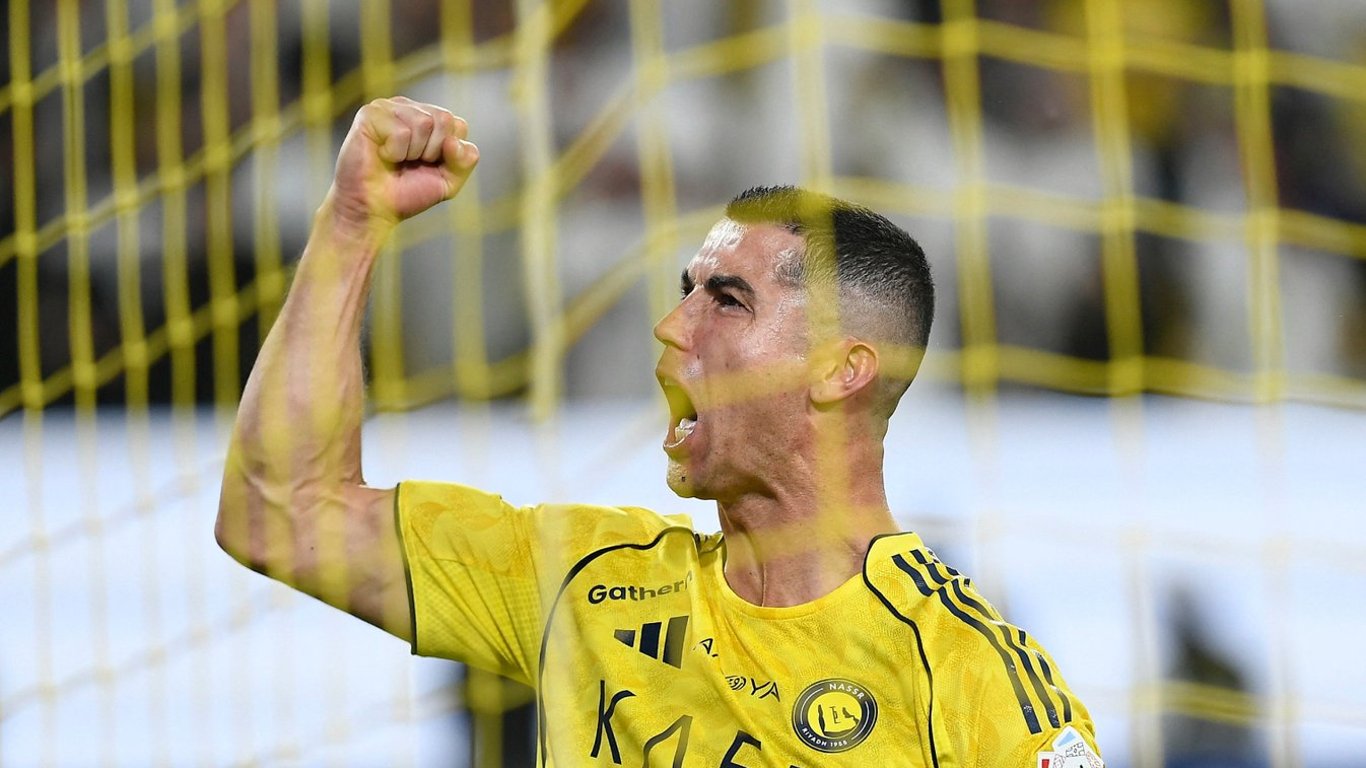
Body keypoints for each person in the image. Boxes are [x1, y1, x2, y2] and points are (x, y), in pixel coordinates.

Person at [216, 96, 1104, 767]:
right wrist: (351, 223)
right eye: (686, 292)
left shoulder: (969, 672)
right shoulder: (581, 580)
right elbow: (279, 513)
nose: (672, 327)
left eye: (726, 300)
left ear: (842, 369)